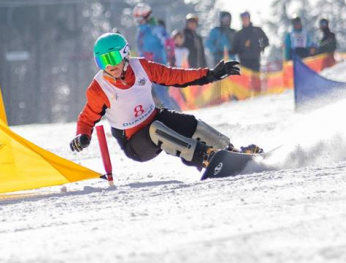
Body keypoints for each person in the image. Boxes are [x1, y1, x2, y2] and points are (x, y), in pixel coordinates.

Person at [69, 32, 261, 171]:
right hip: (134, 143)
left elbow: (174, 75)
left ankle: (232, 151)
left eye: (113, 57)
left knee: (190, 123)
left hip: (154, 118)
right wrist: (83, 136)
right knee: (156, 130)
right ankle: (205, 157)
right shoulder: (99, 88)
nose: (110, 66)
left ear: (125, 53)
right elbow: (87, 119)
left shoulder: (141, 66)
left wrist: (209, 75)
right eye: (102, 61)